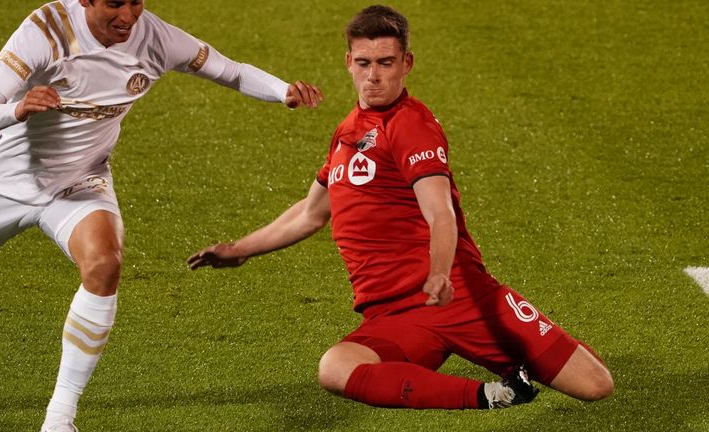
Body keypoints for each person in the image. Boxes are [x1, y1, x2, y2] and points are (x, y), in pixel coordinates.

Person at [189, 4, 613, 411]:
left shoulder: (410, 125)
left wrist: (440, 273)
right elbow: (311, 213)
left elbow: (440, 213)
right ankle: (495, 395)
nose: (373, 76)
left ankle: (523, 351)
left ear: (407, 63)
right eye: (364, 62)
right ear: (348, 62)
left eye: (385, 63)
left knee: (594, 385)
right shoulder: (348, 131)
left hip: (458, 299)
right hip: (395, 316)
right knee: (336, 367)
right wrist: (239, 248)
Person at [0, 0, 322, 431]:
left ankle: (59, 418)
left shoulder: (155, 38)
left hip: (79, 184)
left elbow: (228, 69)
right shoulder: (46, 31)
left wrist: (281, 91)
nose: (128, 17)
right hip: (1, 187)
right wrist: (16, 109)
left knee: (105, 264)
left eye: (136, 2)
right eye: (115, 4)